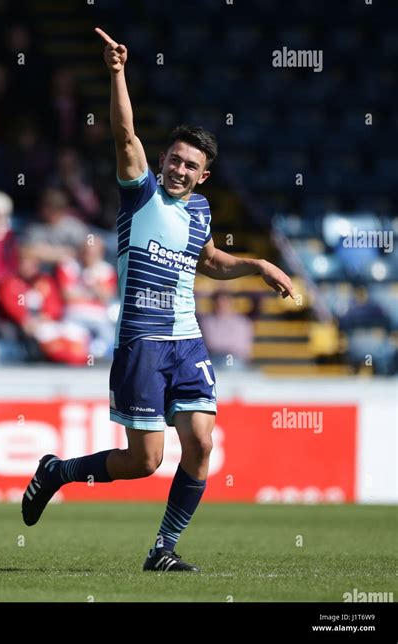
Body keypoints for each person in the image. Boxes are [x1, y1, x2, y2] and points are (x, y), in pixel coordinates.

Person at [22, 28, 295, 572]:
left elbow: (211, 262)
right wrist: (117, 72)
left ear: (203, 175)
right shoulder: (140, 192)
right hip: (141, 342)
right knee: (143, 461)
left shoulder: (200, 212)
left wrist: (258, 265)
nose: (178, 169)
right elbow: (124, 135)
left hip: (186, 340)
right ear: (163, 159)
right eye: (173, 159)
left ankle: (162, 550)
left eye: (190, 165)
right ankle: (57, 472)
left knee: (200, 442)